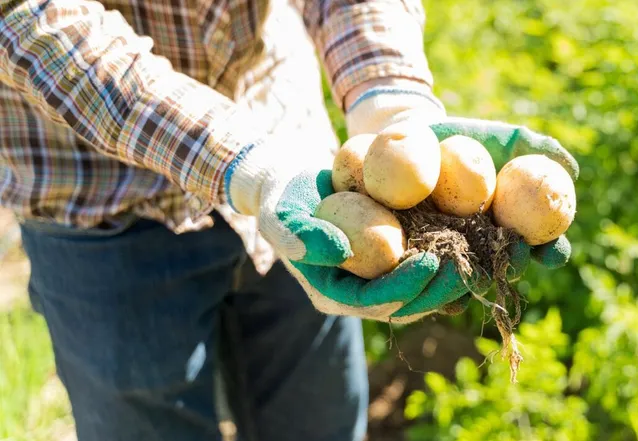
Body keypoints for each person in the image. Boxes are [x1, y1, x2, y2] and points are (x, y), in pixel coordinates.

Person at [0, 0, 578, 439]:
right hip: (96, 197)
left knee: (321, 418)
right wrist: (246, 166)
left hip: (299, 174)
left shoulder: (326, 197)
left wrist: (390, 97)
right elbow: (34, 19)